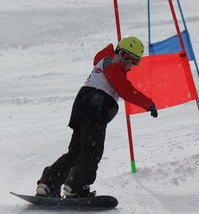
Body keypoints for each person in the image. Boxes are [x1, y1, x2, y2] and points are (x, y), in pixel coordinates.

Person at [36, 36, 158, 198]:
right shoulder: (113, 64)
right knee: (91, 152)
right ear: (118, 52)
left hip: (83, 105)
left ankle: (48, 183)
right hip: (94, 106)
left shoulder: (106, 62)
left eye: (134, 61)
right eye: (126, 57)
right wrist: (148, 104)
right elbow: (125, 90)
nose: (128, 63)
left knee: (76, 151)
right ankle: (76, 187)